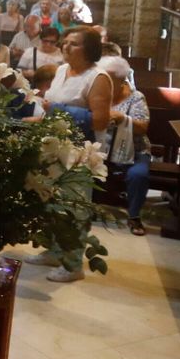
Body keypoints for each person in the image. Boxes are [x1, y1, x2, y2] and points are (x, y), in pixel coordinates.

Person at [25, 26, 113, 282]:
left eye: (73, 43)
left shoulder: (98, 78)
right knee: (52, 202)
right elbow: (51, 106)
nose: (65, 46)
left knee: (73, 207)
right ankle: (54, 252)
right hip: (54, 147)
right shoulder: (62, 70)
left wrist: (57, 110)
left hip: (80, 152)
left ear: (89, 49)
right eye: (65, 42)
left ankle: (73, 265)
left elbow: (99, 121)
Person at [97, 55, 152, 237]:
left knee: (138, 175)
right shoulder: (99, 94)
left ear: (120, 80)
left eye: (108, 77)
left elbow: (142, 127)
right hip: (103, 150)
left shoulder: (136, 97)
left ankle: (134, 215)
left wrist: (123, 119)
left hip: (134, 152)